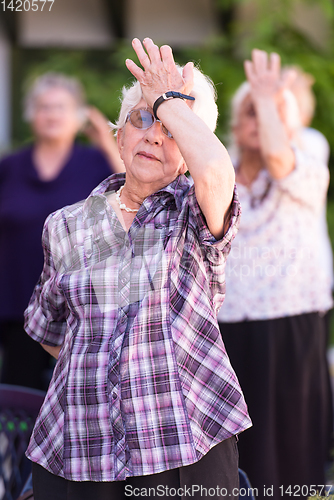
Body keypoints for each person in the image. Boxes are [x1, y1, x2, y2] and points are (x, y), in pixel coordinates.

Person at [23, 38, 251, 500]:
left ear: (189, 150)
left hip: (182, 446)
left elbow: (216, 173)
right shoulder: (66, 225)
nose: (152, 135)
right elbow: (48, 329)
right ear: (119, 134)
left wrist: (169, 101)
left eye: (170, 128)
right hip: (78, 450)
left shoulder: (194, 210)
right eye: (141, 119)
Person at [217, 49, 333, 499]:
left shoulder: (306, 157)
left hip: (291, 321)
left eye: (265, 112)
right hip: (225, 325)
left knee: (291, 442)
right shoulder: (218, 169)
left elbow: (280, 160)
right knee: (238, 447)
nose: (255, 119)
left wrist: (270, 97)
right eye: (248, 110)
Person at [0, 72, 124, 390]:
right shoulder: (10, 167)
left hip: (82, 307)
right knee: (20, 398)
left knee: (79, 397)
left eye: (61, 107)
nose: (52, 114)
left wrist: (108, 143)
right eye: (44, 107)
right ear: (31, 115)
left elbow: (135, 193)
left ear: (79, 117)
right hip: (17, 306)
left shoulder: (96, 161)